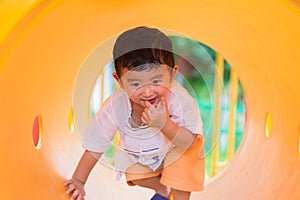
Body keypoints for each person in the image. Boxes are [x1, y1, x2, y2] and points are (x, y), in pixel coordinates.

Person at [64, 26, 205, 200]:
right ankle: (162, 190)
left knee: (180, 165)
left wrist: (164, 124)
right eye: (136, 84)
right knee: (133, 172)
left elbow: (190, 143)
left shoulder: (180, 100)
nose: (147, 92)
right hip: (145, 153)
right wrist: (78, 180)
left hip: (179, 147)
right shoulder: (116, 106)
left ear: (172, 74)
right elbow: (95, 146)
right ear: (120, 81)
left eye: (156, 81)